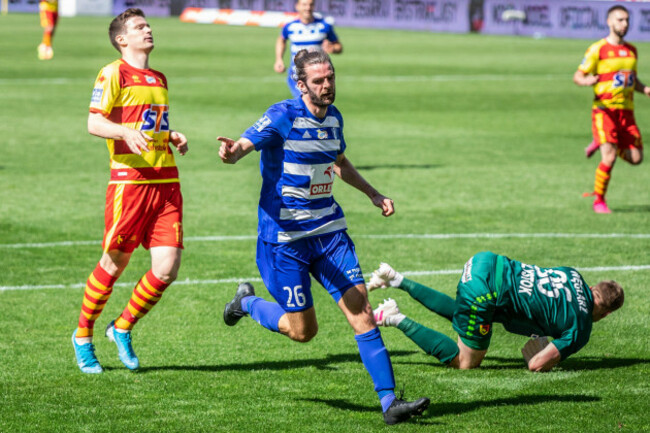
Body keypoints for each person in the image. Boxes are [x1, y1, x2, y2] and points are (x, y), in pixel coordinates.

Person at [217, 50, 429, 425]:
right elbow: (242, 147)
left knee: (362, 311)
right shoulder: (282, 115)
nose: (327, 85)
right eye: (318, 80)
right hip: (285, 240)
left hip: (329, 232)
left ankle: (389, 403)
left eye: (330, 77)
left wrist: (373, 194)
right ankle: (246, 303)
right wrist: (231, 153)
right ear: (301, 85)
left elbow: (340, 162)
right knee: (303, 332)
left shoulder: (334, 118)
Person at [71, 8, 188, 374]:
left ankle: (121, 327)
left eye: (148, 25)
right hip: (130, 184)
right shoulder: (112, 72)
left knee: (166, 269)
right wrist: (123, 133)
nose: (148, 30)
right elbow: (94, 121)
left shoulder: (159, 77)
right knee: (114, 263)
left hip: (167, 182)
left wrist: (170, 135)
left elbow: (147, 124)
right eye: (139, 27)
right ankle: (82, 336)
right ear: (122, 39)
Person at [369, 252, 624, 372]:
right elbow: (536, 364)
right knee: (466, 362)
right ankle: (392, 316)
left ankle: (396, 278)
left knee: (465, 313)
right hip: (487, 293)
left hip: (486, 261)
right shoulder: (581, 328)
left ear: (593, 287)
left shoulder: (573, 273)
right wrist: (546, 356)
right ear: (606, 313)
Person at [574, 5, 648, 214]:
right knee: (610, 157)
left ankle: (601, 142)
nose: (624, 24)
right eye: (619, 20)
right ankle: (599, 200)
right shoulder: (598, 49)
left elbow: (631, 80)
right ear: (609, 22)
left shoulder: (632, 50)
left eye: (626, 20)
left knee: (637, 158)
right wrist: (586, 80)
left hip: (627, 112)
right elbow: (577, 76)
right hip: (604, 111)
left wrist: (645, 89)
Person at [274, 0, 342, 97]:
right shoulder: (290, 27)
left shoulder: (324, 25)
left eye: (311, 4)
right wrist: (279, 59)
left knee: (317, 105)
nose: (308, 8)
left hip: (318, 74)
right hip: (297, 73)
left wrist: (333, 48)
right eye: (304, 4)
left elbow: (338, 46)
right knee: (306, 101)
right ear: (297, 6)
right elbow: (281, 40)